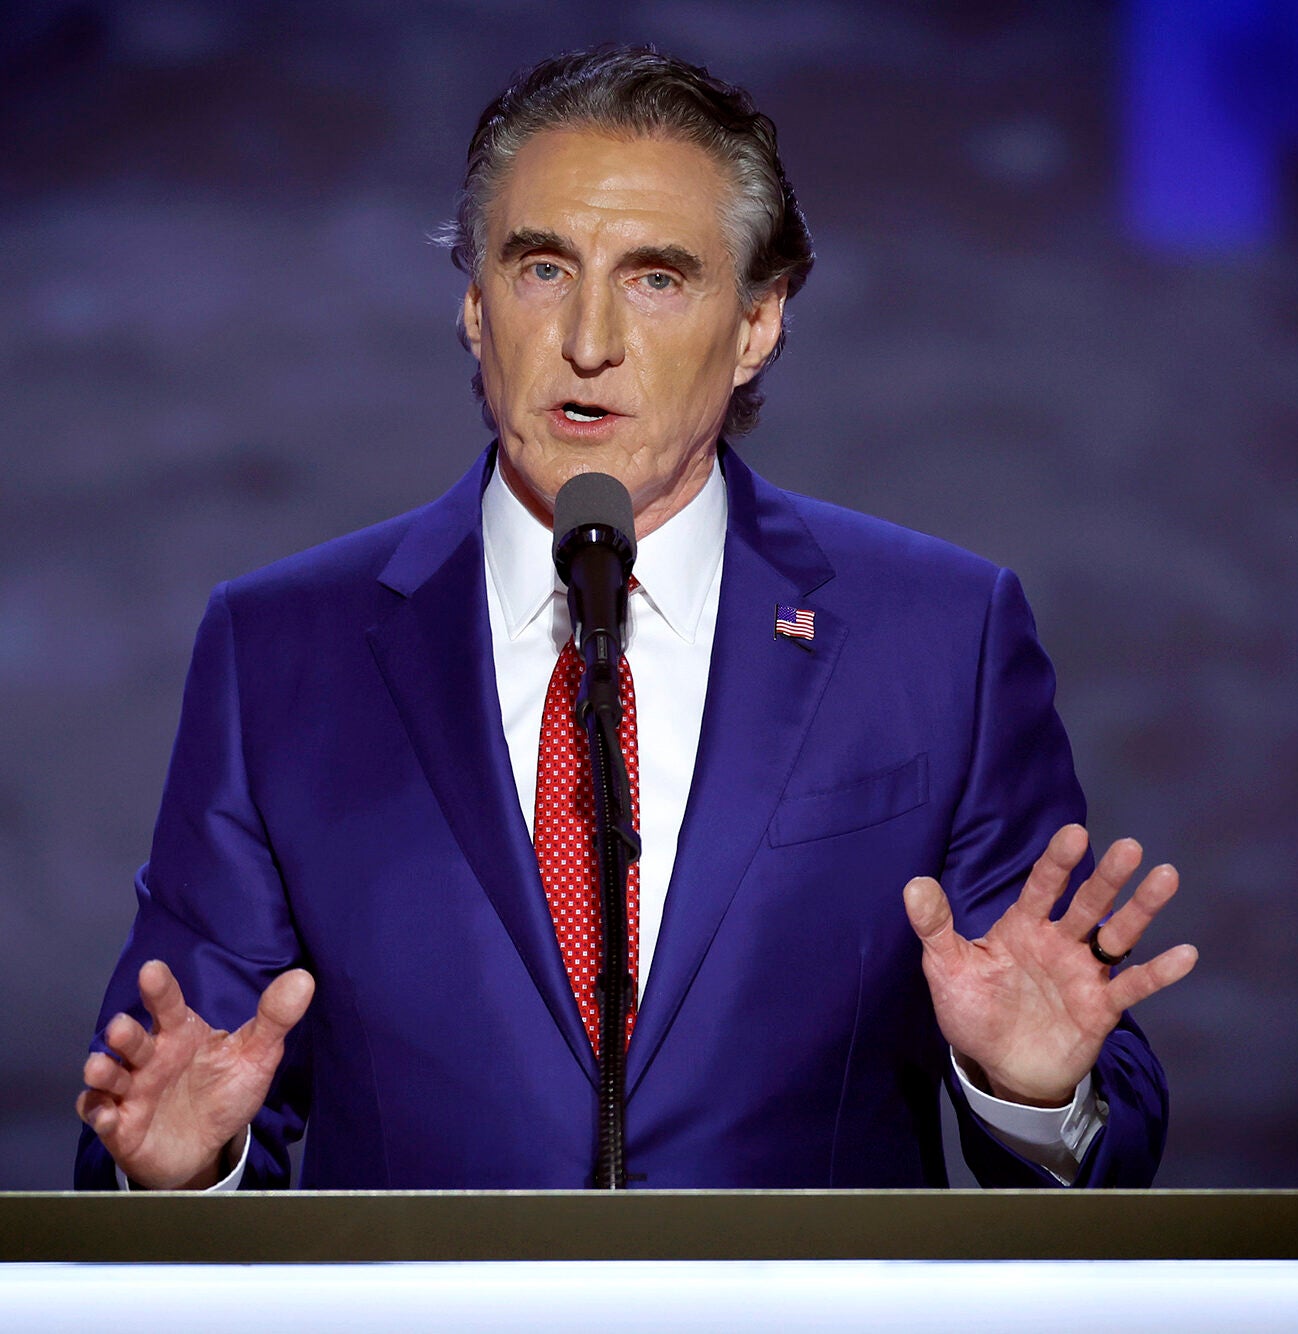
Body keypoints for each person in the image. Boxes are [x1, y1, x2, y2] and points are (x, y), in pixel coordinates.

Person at [76, 46, 1196, 1192]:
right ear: (473, 307)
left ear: (757, 322)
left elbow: (1103, 1119)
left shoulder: (937, 637)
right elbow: (182, 1082)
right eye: (542, 268)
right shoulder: (280, 651)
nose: (590, 339)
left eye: (657, 277)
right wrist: (180, 1169)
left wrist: (1030, 1088)